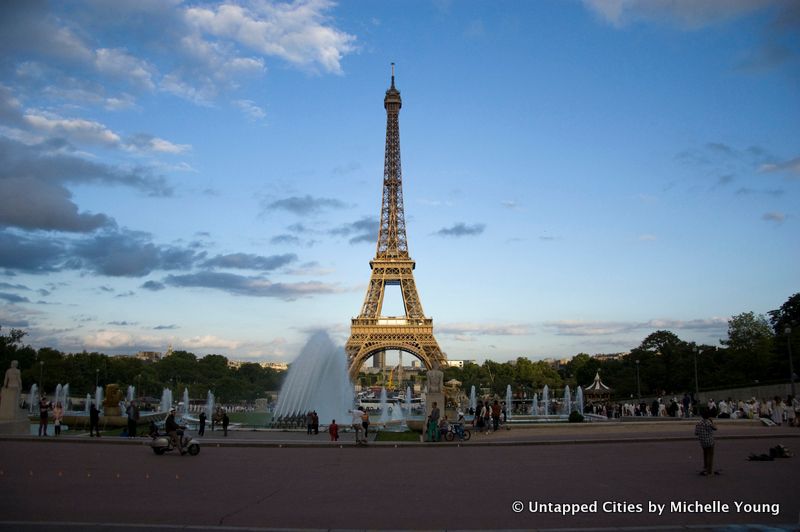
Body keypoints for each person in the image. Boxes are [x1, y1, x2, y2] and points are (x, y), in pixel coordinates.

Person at [694, 408, 718, 476]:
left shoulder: (699, 423)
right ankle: (709, 471)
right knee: (710, 456)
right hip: (710, 441)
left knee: (705, 454)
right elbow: (715, 428)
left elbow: (696, 433)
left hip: (702, 442)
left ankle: (705, 468)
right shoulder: (708, 422)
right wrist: (711, 421)